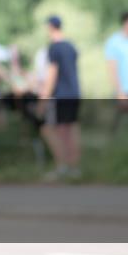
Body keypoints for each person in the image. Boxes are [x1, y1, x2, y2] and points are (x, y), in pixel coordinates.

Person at [38, 15, 81, 180]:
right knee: (72, 129)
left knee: (53, 130)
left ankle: (62, 167)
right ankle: (74, 168)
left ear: (50, 27)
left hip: (61, 94)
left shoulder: (54, 48)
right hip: (74, 93)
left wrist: (43, 99)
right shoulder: (71, 46)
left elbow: (52, 75)